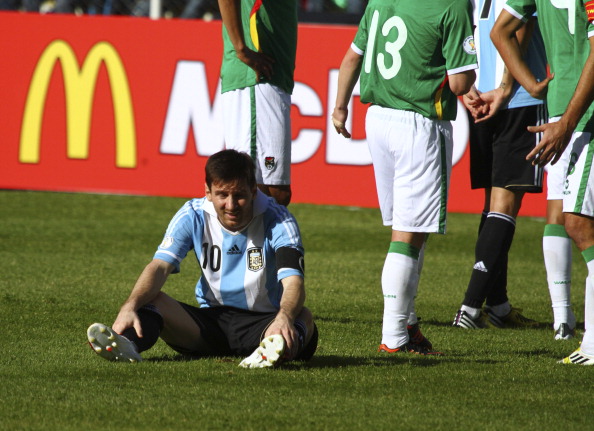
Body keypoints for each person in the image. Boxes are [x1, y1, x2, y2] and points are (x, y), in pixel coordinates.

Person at [331, 0, 477, 354]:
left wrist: (339, 106)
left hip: (378, 118)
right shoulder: (452, 5)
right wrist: (471, 48)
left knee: (411, 228)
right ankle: (394, 337)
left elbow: (353, 56)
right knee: (408, 235)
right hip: (419, 122)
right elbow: (460, 83)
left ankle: (408, 325)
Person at [87, 149, 317, 368]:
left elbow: (293, 281)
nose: (231, 205)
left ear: (254, 190)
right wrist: (129, 306)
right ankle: (126, 345)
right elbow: (159, 267)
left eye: (239, 196)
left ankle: (270, 350)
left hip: (264, 322)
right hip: (209, 325)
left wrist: (283, 317)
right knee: (150, 300)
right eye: (222, 195)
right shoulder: (192, 215)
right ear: (208, 191)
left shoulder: (279, 220)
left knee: (302, 316)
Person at [491, 0, 594, 364]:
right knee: (573, 219)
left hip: (578, 113)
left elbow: (499, 31)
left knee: (576, 222)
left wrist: (534, 89)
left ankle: (577, 332)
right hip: (565, 112)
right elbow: (499, 32)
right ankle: (567, 323)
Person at [452, 0, 546, 330]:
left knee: (492, 206)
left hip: (480, 94)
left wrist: (466, 86)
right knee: (504, 204)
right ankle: (470, 308)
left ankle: (499, 306)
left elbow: (464, 29)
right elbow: (520, 28)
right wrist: (507, 87)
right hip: (517, 97)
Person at [216, 0, 297, 206]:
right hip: (255, 78)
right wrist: (241, 49)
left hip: (272, 78)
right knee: (259, 189)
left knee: (270, 192)